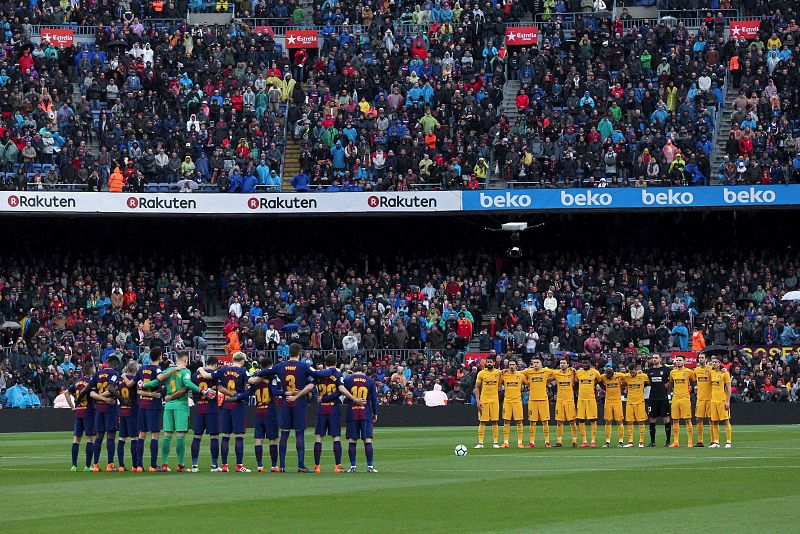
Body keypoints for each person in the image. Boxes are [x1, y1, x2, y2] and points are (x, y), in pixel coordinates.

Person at [248, 343, 331, 472]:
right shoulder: (304, 366)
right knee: (299, 434)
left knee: (284, 434)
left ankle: (281, 466)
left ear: (288, 352)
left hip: (285, 403)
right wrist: (332, 370)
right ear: (299, 353)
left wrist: (254, 377)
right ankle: (301, 465)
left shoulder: (280, 366)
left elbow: (266, 371)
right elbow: (319, 374)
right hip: (299, 403)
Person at [143, 351, 207, 472]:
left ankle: (165, 464)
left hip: (168, 406)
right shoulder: (186, 371)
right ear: (185, 360)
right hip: (181, 406)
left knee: (167, 436)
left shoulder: (168, 371)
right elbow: (187, 384)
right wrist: (202, 390)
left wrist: (144, 385)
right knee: (180, 436)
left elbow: (156, 382)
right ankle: (180, 465)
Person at [198, 351, 251, 472]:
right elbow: (251, 381)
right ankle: (239, 465)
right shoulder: (243, 371)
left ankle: (225, 465)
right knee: (239, 435)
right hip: (238, 405)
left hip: (226, 405)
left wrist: (200, 368)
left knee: (226, 436)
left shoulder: (222, 371)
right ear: (242, 361)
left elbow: (206, 376)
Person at [313, 354, 365, 472]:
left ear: (325, 363)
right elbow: (340, 390)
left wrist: (320, 397)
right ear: (336, 363)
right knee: (336, 437)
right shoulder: (337, 374)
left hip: (321, 409)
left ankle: (317, 466)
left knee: (318, 438)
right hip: (333, 409)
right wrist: (355, 399)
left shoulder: (318, 375)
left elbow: (311, 386)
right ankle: (337, 466)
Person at [239, 357, 283, 472]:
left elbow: (248, 393)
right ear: (270, 366)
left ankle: (260, 466)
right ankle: (274, 466)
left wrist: (236, 396)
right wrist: (287, 393)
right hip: (269, 409)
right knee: (272, 439)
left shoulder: (256, 379)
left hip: (259, 409)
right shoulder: (271, 377)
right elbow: (275, 392)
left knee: (259, 439)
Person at [127, 346, 164, 471]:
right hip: (154, 405)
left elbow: (131, 385)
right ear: (159, 356)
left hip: (142, 404)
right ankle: (153, 465)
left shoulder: (142, 369)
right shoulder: (158, 368)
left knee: (142, 434)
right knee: (154, 434)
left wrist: (124, 376)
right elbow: (160, 379)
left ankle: (138, 465)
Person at [343, 364, 379, 473]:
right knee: (367, 439)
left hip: (352, 412)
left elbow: (343, 393)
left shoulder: (348, 380)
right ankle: (370, 466)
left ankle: (353, 466)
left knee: (352, 440)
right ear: (363, 371)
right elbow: (374, 398)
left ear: (354, 371)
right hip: (365, 412)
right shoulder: (370, 380)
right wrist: (375, 412)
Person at [88, 354, 121, 472]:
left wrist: (99, 398)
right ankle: (110, 465)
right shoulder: (115, 374)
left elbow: (89, 391)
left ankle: (96, 465)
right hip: (110, 407)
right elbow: (111, 389)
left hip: (99, 407)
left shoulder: (97, 374)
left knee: (99, 436)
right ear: (116, 364)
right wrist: (120, 399)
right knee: (111, 435)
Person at [190, 356, 222, 471]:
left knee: (197, 436)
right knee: (214, 436)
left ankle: (194, 465)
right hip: (211, 408)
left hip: (199, 407)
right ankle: (214, 465)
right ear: (215, 364)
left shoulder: (194, 375)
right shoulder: (215, 374)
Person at [65, 362, 97, 471]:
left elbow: (66, 393)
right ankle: (87, 466)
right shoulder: (92, 382)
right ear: (92, 370)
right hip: (89, 412)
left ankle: (74, 465)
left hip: (78, 412)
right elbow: (93, 395)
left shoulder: (78, 382)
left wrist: (72, 407)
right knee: (90, 438)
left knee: (76, 439)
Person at [522, 356, 553, 447]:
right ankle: (532, 442)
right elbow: (518, 374)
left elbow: (557, 373)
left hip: (543, 400)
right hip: (532, 400)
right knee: (532, 422)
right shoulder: (528, 371)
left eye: (537, 362)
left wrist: (571, 369)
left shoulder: (546, 371)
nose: (535, 364)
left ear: (541, 364)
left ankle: (547, 442)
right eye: (533, 362)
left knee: (545, 421)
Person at [668, 355, 696, 447]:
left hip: (685, 398)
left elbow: (694, 382)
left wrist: (690, 390)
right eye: (677, 360)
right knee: (675, 420)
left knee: (688, 420)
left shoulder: (689, 372)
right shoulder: (672, 372)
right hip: (675, 398)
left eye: (680, 360)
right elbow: (671, 384)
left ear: (684, 361)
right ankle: (676, 441)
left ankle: (690, 441)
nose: (679, 362)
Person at [474, 356, 501, 448]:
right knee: (482, 421)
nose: (489, 363)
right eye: (488, 362)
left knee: (495, 421)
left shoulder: (499, 373)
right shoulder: (481, 373)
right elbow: (477, 387)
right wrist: (478, 401)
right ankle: (480, 443)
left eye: (491, 362)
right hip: (484, 400)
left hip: (494, 400)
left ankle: (496, 442)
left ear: (494, 363)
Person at [116, 361, 139, 472]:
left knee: (121, 439)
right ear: (135, 369)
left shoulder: (120, 380)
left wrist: (121, 400)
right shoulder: (135, 380)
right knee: (134, 438)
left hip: (122, 411)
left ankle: (121, 465)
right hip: (132, 411)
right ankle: (135, 465)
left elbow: (112, 390)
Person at [645, 354, 671, 447]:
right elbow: (647, 382)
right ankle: (652, 442)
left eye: (656, 358)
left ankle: (668, 442)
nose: (654, 359)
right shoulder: (650, 370)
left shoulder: (666, 369)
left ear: (660, 359)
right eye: (653, 358)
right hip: (652, 398)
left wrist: (668, 384)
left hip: (663, 398)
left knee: (666, 419)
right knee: (652, 419)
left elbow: (671, 380)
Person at [621, 363, 650, 447]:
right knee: (629, 422)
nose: (632, 374)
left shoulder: (643, 376)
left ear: (637, 369)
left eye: (633, 372)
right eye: (630, 372)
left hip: (640, 402)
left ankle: (641, 442)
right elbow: (622, 384)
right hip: (629, 402)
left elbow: (651, 383)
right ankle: (630, 442)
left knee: (641, 422)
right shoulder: (626, 376)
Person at [575, 357, 601, 448]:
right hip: (581, 400)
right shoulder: (578, 372)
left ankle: (593, 441)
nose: (584, 364)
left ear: (590, 363)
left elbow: (600, 382)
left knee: (593, 419)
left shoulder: (595, 372)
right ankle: (584, 441)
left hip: (591, 399)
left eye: (586, 363)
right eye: (583, 363)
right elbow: (575, 384)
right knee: (581, 419)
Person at [500, 359, 526, 448]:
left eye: (513, 364)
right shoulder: (504, 375)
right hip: (507, 401)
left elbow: (530, 384)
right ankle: (506, 442)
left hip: (517, 401)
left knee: (519, 421)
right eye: (510, 364)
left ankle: (520, 442)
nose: (511, 366)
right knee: (506, 421)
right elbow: (497, 382)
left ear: (516, 366)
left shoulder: (521, 376)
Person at [553, 358, 578, 447]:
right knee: (559, 421)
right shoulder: (556, 373)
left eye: (564, 363)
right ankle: (559, 441)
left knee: (572, 421)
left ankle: (574, 441)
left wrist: (574, 370)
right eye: (561, 363)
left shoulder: (572, 373)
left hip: (569, 400)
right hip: (560, 401)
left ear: (568, 365)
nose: (562, 364)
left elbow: (577, 380)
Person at [599, 365, 625, 447]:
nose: (608, 377)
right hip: (608, 401)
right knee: (608, 421)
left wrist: (621, 386)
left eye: (609, 375)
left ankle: (621, 441)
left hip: (617, 401)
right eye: (607, 375)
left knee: (619, 421)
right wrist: (604, 388)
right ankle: (607, 442)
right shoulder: (603, 377)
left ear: (613, 373)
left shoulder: (619, 375)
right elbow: (599, 381)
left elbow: (628, 378)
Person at [709, 356, 732, 448]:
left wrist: (727, 401)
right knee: (714, 422)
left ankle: (728, 441)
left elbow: (728, 388)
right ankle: (716, 442)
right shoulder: (712, 372)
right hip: (713, 400)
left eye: (715, 362)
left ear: (719, 363)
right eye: (712, 362)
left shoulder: (725, 373)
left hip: (722, 400)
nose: (714, 364)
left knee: (726, 421)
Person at [693, 353, 712, 447]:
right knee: (698, 418)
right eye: (699, 358)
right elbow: (693, 380)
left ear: (706, 359)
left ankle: (713, 440)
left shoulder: (710, 369)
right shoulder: (696, 371)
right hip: (700, 398)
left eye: (702, 358)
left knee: (711, 419)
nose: (700, 359)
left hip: (709, 398)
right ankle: (700, 441)